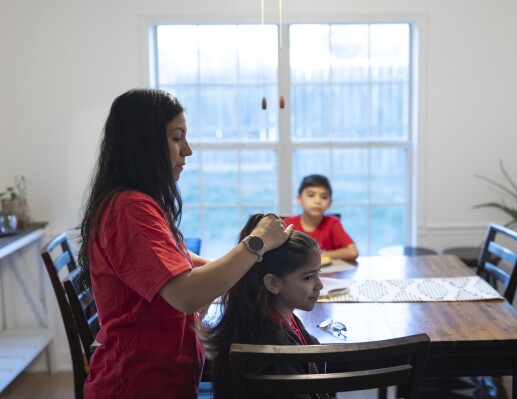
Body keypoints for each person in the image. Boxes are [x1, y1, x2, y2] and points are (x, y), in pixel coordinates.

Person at [77, 88, 293, 399]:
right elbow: (185, 293)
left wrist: (267, 268)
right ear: (144, 144)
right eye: (177, 137)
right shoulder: (129, 210)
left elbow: (188, 262)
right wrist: (255, 244)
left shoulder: (142, 204)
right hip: (137, 384)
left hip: (163, 378)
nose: (187, 150)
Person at [202, 213, 329, 399]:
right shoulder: (275, 351)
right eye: (308, 277)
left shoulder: (271, 319)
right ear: (273, 283)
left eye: (318, 273)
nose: (319, 285)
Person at [284, 174, 358, 262]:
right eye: (311, 195)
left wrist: (317, 254)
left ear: (330, 202)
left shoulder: (332, 223)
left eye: (324, 197)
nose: (318, 201)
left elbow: (353, 252)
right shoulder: (288, 224)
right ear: (299, 199)